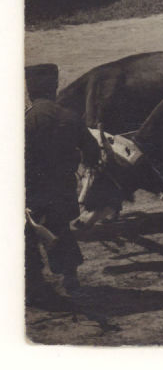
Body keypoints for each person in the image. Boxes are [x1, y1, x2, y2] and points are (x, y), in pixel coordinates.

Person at [24, 63, 101, 303]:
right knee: (61, 231)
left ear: (30, 90)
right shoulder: (70, 117)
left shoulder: (26, 119)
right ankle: (71, 281)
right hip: (63, 188)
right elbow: (92, 152)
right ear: (54, 88)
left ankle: (34, 285)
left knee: (27, 234)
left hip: (34, 190)